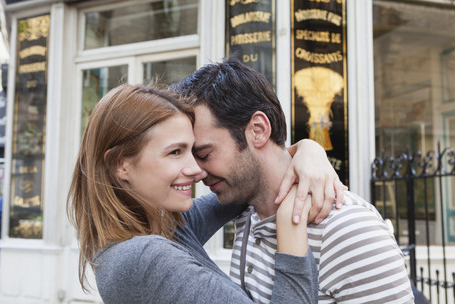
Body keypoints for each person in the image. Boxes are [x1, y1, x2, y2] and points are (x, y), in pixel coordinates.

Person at [171, 57, 415, 303]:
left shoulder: (351, 230)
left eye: (204, 154)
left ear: (258, 130)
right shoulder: (247, 213)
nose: (197, 171)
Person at [67, 83, 327, 303]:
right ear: (120, 164)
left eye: (197, 152)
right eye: (175, 152)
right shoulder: (146, 259)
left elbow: (242, 183)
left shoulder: (162, 226)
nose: (196, 170)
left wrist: (308, 149)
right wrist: (290, 220)